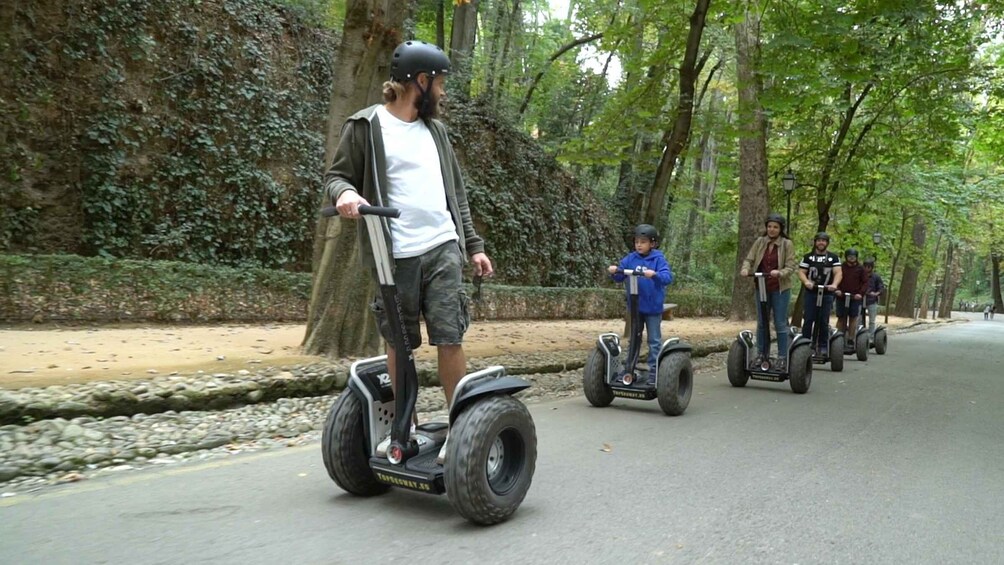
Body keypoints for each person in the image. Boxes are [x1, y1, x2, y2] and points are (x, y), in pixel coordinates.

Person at [325, 40, 492, 459]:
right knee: (399, 343)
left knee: (449, 338)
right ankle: (406, 427)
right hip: (394, 254)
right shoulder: (365, 127)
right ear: (421, 81)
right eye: (440, 83)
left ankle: (460, 428)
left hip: (442, 248)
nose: (443, 92)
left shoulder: (436, 132)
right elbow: (336, 177)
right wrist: (347, 194)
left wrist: (473, 246)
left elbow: (457, 195)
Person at [608, 224, 673, 383]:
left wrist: (655, 275)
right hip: (636, 308)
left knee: (654, 340)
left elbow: (667, 278)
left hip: (652, 308)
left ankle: (654, 370)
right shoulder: (630, 258)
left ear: (652, 244)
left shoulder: (658, 259)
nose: (639, 245)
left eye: (643, 242)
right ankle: (630, 368)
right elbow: (619, 277)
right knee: (634, 339)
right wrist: (614, 271)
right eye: (637, 241)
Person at [740, 212, 797, 370]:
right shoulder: (760, 242)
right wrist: (745, 269)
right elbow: (749, 259)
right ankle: (761, 355)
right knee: (762, 323)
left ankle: (782, 357)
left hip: (780, 288)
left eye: (775, 227)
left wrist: (780, 272)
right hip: (762, 286)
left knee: (779, 323)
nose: (772, 229)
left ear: (780, 229)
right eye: (769, 226)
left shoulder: (786, 244)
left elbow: (791, 266)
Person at [798, 232, 842, 356]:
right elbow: (801, 271)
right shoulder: (808, 257)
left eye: (823, 241)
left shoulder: (833, 258)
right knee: (808, 319)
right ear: (815, 242)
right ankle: (805, 344)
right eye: (819, 240)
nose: (821, 243)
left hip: (827, 293)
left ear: (827, 243)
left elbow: (838, 272)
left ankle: (823, 346)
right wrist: (806, 281)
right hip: (811, 292)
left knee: (823, 320)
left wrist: (834, 284)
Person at [834, 248, 868, 349]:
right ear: (846, 257)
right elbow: (836, 278)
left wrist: (860, 294)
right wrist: (837, 290)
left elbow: (865, 282)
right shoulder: (841, 267)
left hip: (855, 297)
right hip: (841, 296)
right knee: (841, 317)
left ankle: (850, 339)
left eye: (853, 257)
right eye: (849, 257)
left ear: (856, 258)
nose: (851, 259)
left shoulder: (861, 269)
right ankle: (838, 338)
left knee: (853, 318)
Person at [863, 257, 885, 331]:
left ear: (872, 267)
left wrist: (876, 293)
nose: (867, 268)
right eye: (865, 266)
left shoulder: (876, 277)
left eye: (868, 267)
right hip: (860, 300)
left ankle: (870, 337)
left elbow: (881, 287)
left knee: (872, 321)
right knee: (859, 320)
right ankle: (859, 336)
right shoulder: (860, 276)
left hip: (872, 301)